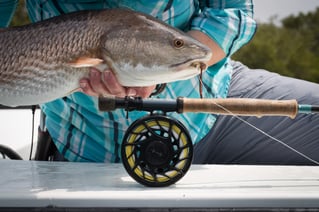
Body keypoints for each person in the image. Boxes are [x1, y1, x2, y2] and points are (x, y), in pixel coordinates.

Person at [2, 0, 319, 165]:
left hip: (212, 110)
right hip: (80, 143)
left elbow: (232, 9)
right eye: (177, 46)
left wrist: (178, 59)